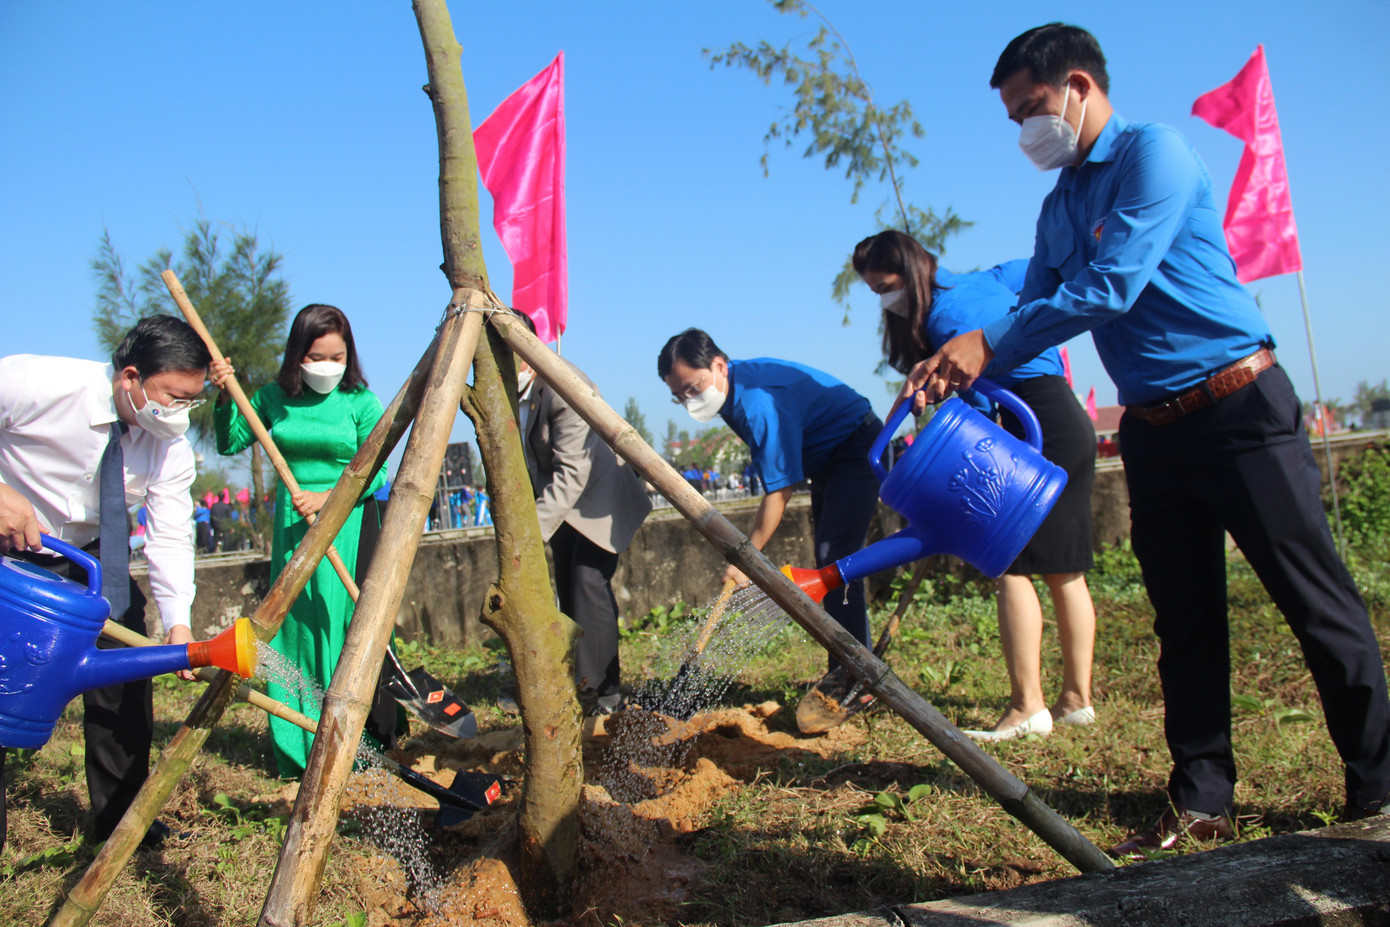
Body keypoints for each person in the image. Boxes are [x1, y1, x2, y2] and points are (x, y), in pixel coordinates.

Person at [905, 23, 1390, 853]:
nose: (1024, 129)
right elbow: (1033, 307)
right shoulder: (1059, 206)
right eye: (1013, 117)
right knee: (1184, 618)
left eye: (1030, 107)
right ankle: (1201, 797)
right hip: (1153, 431)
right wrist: (953, 367)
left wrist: (987, 342)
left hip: (1239, 406)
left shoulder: (1152, 157)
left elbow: (1111, 285)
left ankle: (1378, 787)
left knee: (1315, 601)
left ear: (1079, 86)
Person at [853, 230, 1098, 742]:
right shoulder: (988, 278)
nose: (885, 301)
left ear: (912, 272)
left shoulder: (945, 319)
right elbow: (1035, 269)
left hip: (1027, 424)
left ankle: (1027, 707)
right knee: (1065, 571)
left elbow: (981, 408)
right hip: (1068, 419)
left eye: (886, 288)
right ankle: (1076, 701)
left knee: (1009, 567)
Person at [0, 315, 210, 850]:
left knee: (124, 681)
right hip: (9, 545)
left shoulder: (169, 443)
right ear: (130, 377)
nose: (182, 413)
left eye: (193, 401)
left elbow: (170, 532)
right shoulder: (36, 384)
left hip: (94, 557)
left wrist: (178, 620)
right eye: (174, 398)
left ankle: (121, 824)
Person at [212, 304, 400, 777]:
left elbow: (377, 468)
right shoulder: (273, 398)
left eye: (337, 357)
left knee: (339, 621)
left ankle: (352, 741)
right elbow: (231, 441)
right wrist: (224, 395)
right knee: (295, 625)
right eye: (317, 357)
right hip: (293, 527)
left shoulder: (361, 402)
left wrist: (329, 497)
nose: (327, 367)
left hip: (347, 523)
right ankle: (300, 742)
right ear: (298, 354)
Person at [658, 328, 881, 672]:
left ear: (719, 365)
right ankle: (849, 669)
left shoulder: (756, 404)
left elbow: (779, 493)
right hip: (825, 461)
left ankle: (857, 674)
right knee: (831, 560)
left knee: (837, 562)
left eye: (693, 388)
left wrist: (745, 557)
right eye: (679, 396)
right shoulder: (731, 390)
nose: (690, 401)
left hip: (855, 447)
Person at [515, 315, 652, 715]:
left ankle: (604, 695)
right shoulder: (504, 390)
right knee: (566, 584)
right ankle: (580, 683)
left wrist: (527, 535)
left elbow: (573, 472)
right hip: (561, 502)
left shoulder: (562, 383)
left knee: (587, 580)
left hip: (600, 496)